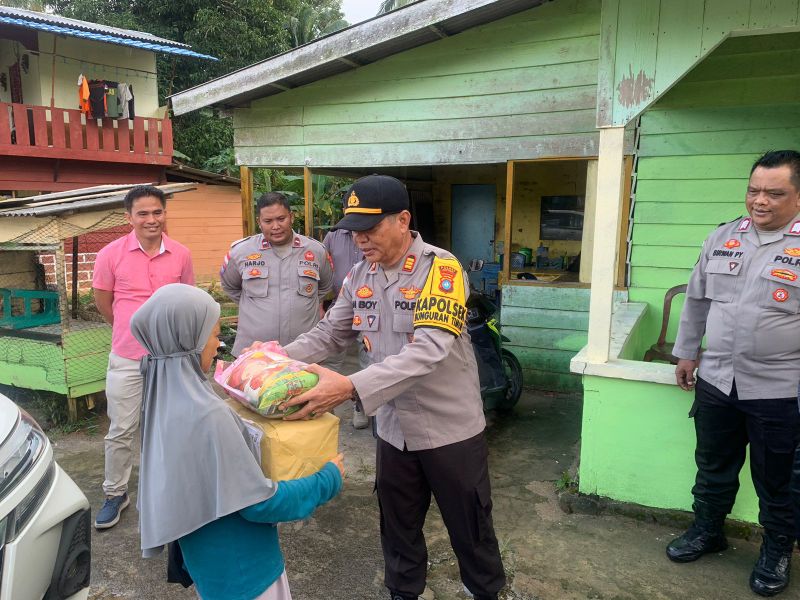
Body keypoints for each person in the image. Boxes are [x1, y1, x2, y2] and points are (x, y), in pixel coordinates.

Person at [280, 175, 506, 600]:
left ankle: (485, 592)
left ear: (403, 220)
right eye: (354, 232)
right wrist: (274, 358)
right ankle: (403, 593)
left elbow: (428, 352)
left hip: (449, 432)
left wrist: (348, 387)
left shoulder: (442, 270)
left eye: (370, 229)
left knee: (470, 528)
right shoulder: (358, 275)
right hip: (393, 430)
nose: (360, 240)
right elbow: (330, 334)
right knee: (397, 527)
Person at [130, 283, 343, 600]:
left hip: (207, 565)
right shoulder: (208, 415)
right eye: (213, 335)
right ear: (189, 340)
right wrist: (328, 478)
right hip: (246, 575)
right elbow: (259, 503)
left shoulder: (161, 398)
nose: (219, 345)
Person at [669, 150, 800, 597]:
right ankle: (708, 531)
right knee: (713, 465)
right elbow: (697, 300)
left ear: (798, 197)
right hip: (717, 380)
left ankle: (776, 551)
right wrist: (686, 353)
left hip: (781, 389)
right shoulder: (724, 237)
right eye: (753, 190)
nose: (760, 201)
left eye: (774, 193)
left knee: (777, 479)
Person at [92, 185, 194, 530]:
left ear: (165, 214)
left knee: (169, 427)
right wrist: (129, 329)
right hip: (127, 357)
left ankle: (168, 491)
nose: (151, 220)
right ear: (129, 217)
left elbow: (187, 302)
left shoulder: (181, 254)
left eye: (157, 212)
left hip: (170, 357)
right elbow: (104, 302)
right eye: (143, 214)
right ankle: (115, 493)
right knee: (121, 428)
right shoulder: (110, 254)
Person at [220, 192, 333, 356]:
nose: (275, 226)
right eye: (268, 221)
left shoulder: (316, 251)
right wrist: (258, 307)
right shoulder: (241, 252)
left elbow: (324, 287)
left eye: (281, 219)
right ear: (259, 222)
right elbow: (230, 287)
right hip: (254, 352)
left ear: (291, 217)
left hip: (303, 353)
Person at [322, 221, 369, 429]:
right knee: (331, 358)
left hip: (370, 305)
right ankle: (325, 406)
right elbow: (323, 267)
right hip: (341, 302)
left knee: (368, 358)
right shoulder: (333, 236)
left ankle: (361, 406)